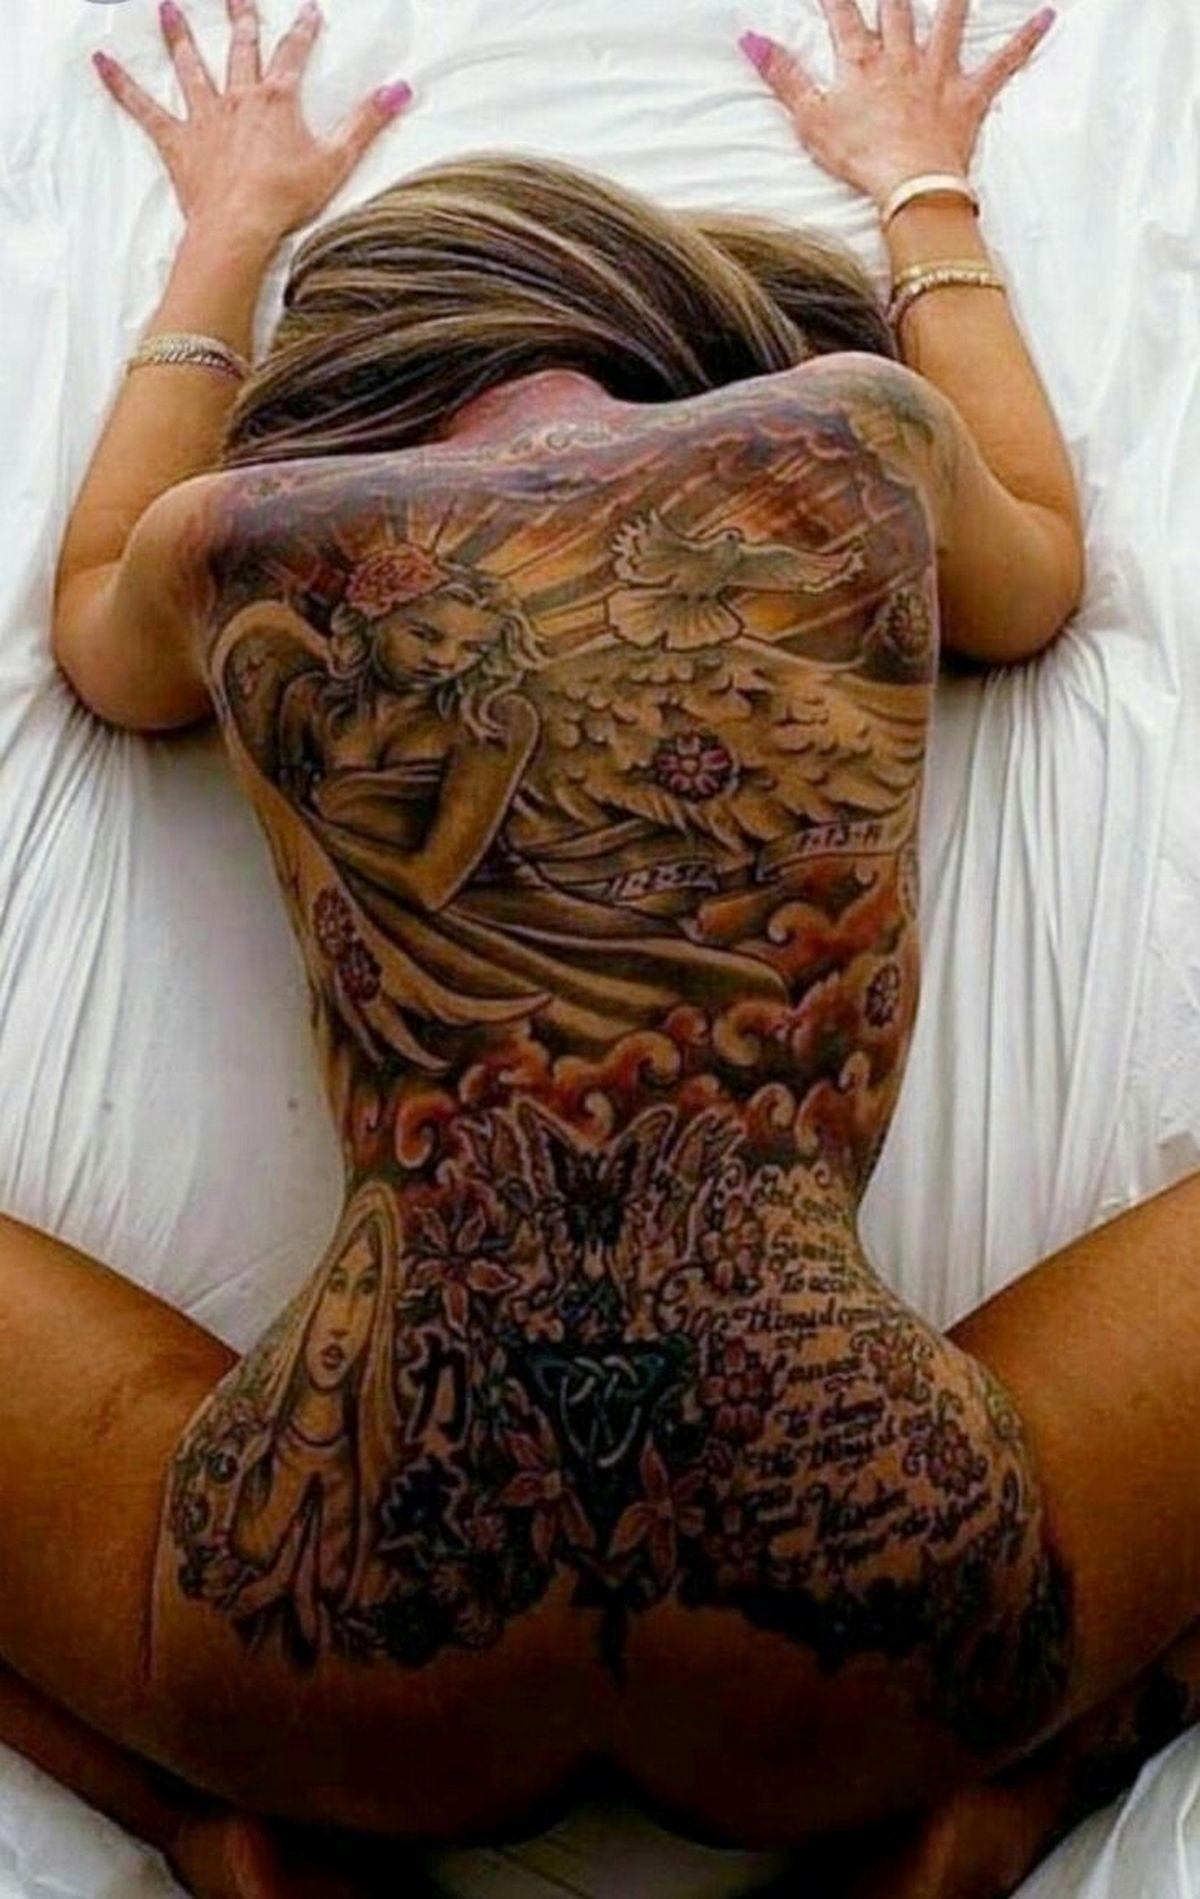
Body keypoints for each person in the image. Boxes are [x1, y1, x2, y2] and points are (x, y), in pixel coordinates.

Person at [5, 2, 1199, 1896]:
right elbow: (1040, 573)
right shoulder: (858, 441)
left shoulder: (232, 540)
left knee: (172, 1630)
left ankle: (214, 1834)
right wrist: (923, 184)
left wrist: (225, 231)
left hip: (332, 1605)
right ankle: (1000, 1818)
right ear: (700, 317)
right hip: (873, 1604)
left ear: (347, 381)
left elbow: (91, 640)